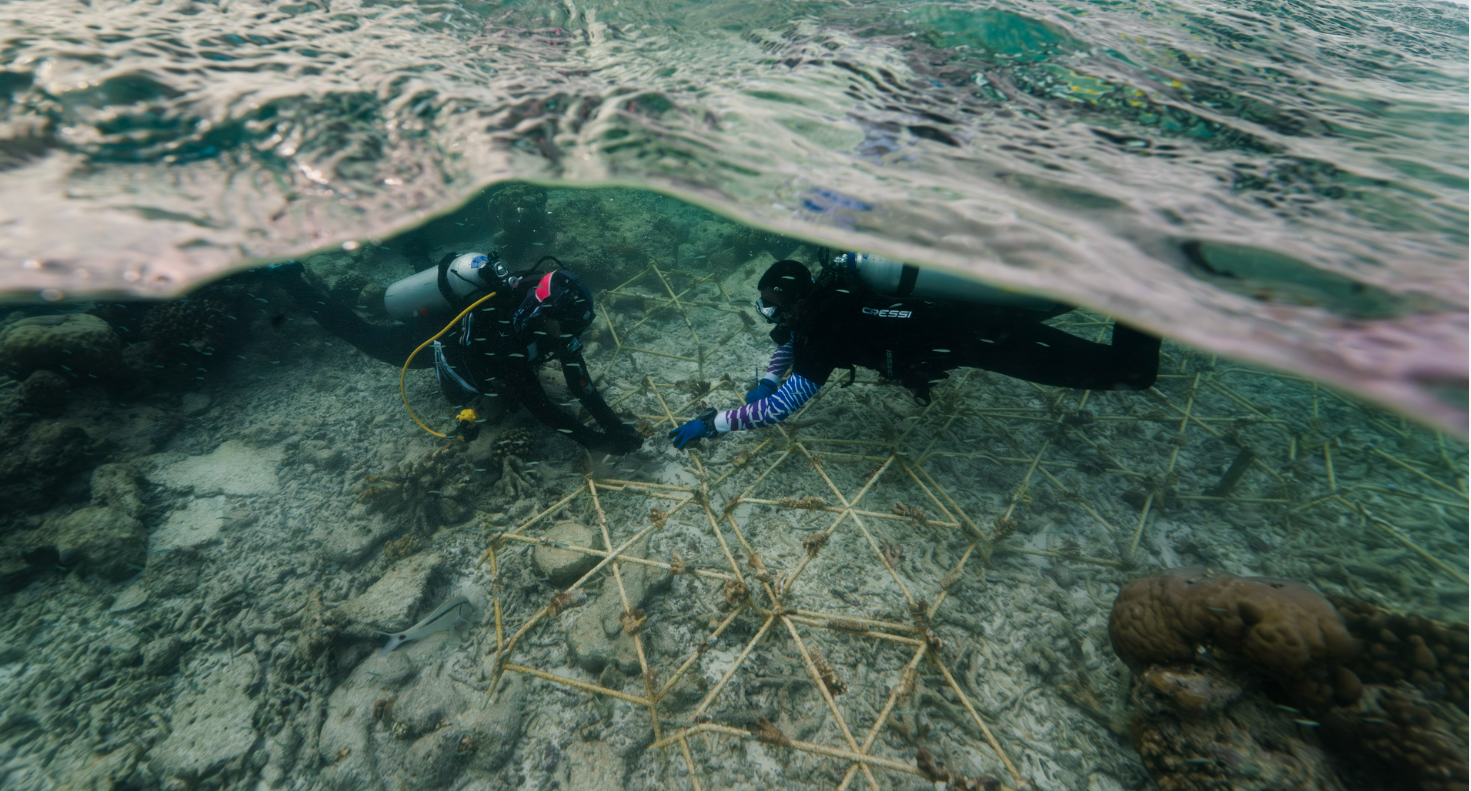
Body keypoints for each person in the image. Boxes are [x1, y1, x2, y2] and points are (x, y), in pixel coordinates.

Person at [670, 256, 1160, 448]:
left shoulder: (824, 328)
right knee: (1062, 301)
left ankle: (1156, 289)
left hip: (981, 336)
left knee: (1129, 372)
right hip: (972, 318)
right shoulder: (830, 295)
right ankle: (1129, 282)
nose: (769, 316)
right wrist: (768, 377)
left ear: (797, 300)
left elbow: (779, 410)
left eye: (772, 306)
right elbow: (787, 346)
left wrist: (712, 423)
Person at [273, 255, 642, 455]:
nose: (568, 339)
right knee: (367, 337)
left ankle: (395, 273)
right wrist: (593, 441)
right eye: (564, 330)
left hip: (474, 330)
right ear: (539, 316)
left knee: (513, 388)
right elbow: (540, 405)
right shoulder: (505, 335)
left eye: (575, 332)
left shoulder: (550, 319)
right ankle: (290, 282)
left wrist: (612, 426)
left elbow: (580, 380)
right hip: (439, 336)